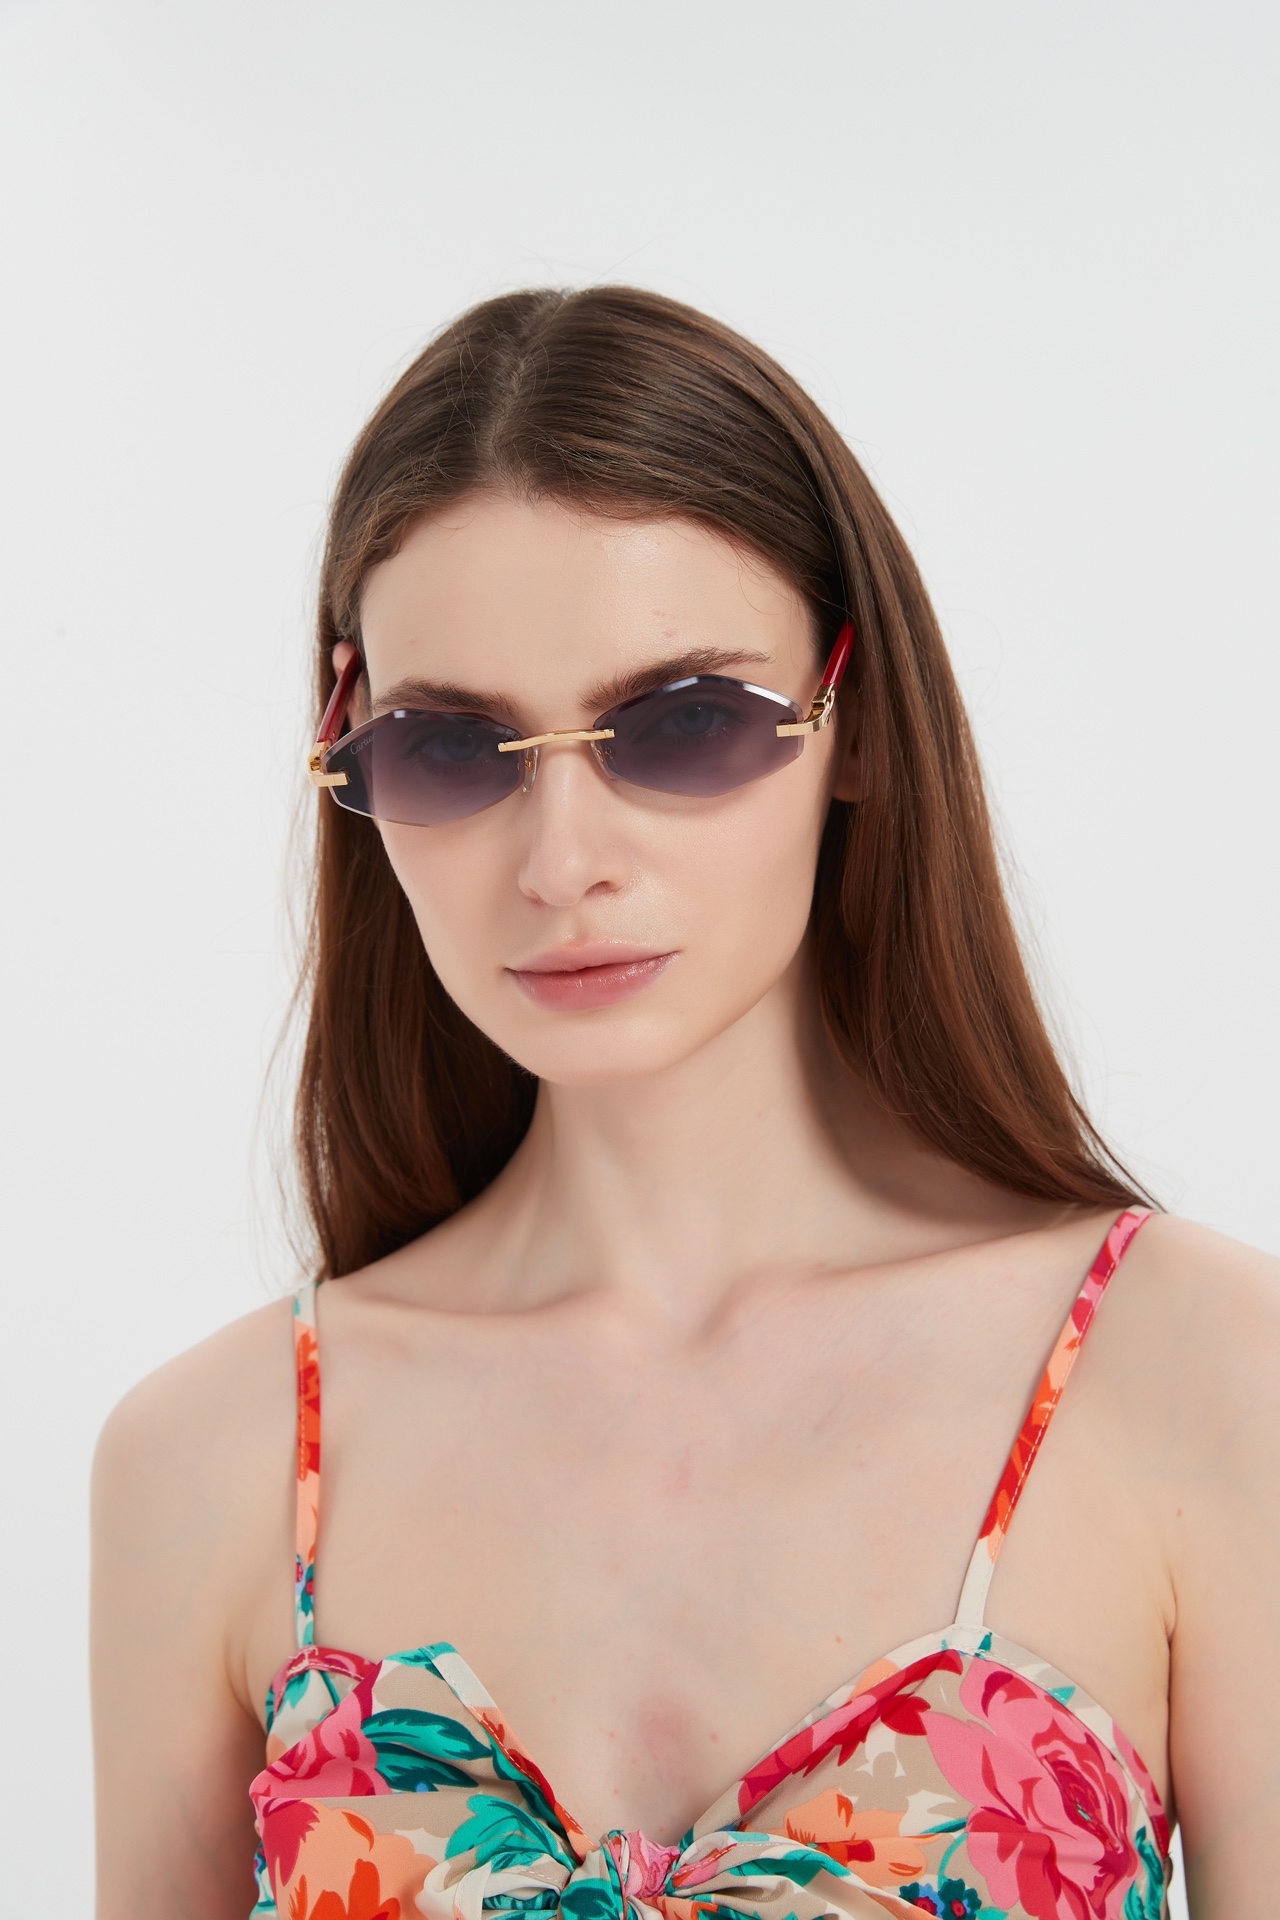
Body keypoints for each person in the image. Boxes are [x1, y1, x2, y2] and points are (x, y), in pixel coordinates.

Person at [90, 287, 1279, 1920]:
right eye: (452, 749)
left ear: (857, 722)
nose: (563, 860)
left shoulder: (1205, 1375)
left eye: (688, 723)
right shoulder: (210, 1463)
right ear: (350, 742)